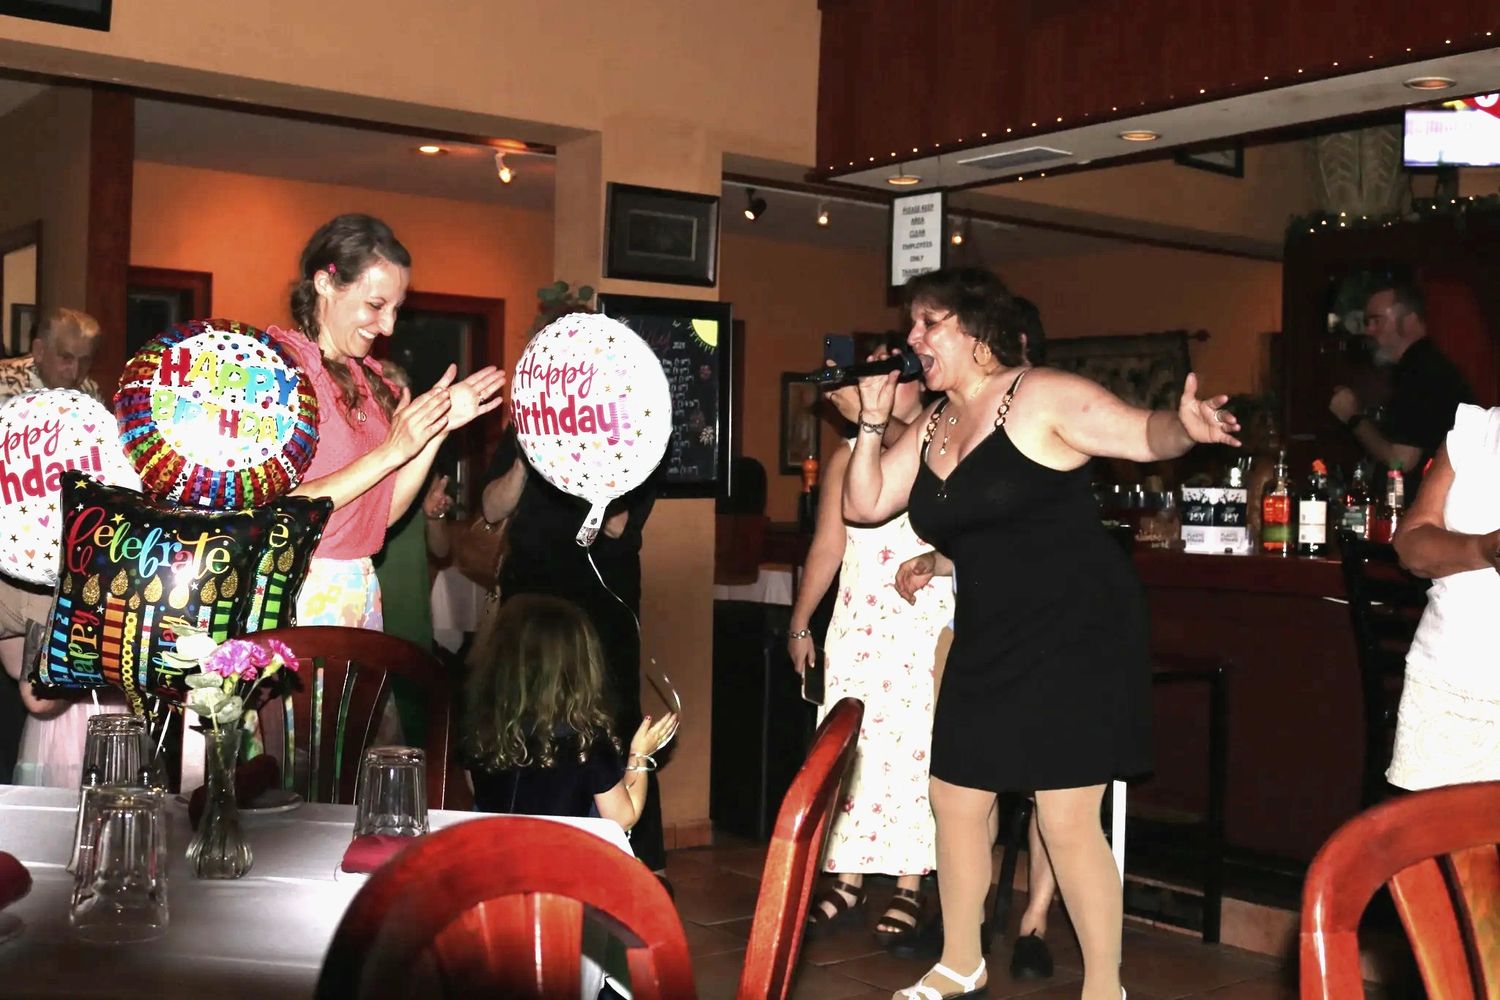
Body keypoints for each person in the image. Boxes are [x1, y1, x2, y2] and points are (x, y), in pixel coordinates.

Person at [844, 268, 1239, 1000]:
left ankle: (1104, 987)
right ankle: (961, 961)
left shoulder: (1042, 396)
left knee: (1064, 816)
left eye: (929, 323)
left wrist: (1183, 427)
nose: (912, 339)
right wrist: (871, 422)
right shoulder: (933, 423)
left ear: (975, 330)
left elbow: (1140, 432)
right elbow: (865, 504)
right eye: (913, 324)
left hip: (1076, 630)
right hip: (990, 630)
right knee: (956, 796)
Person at [893, 293, 1061, 982]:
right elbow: (986, 542)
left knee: (1058, 792)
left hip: (1048, 640)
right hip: (974, 632)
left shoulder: (1044, 426)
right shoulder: (958, 425)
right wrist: (938, 559)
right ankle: (968, 921)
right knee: (968, 787)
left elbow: (1042, 546)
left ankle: (1036, 921)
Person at [789, 351, 953, 951]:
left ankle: (912, 882)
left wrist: (874, 421)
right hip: (857, 620)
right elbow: (828, 544)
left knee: (915, 747)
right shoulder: (846, 455)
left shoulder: (941, 441)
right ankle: (849, 874)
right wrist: (801, 622)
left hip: (917, 617)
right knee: (850, 748)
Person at [275, 214, 504, 628]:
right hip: (295, 589)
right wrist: (393, 449)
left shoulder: (371, 378)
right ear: (325, 283)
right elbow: (284, 510)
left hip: (359, 583)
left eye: (396, 309)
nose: (389, 325)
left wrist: (436, 428)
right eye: (376, 305)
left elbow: (379, 518)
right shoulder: (279, 369)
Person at [481, 412, 664, 871]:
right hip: (530, 601)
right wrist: (527, 458)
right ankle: (522, 845)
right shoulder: (528, 425)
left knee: (609, 723)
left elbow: (618, 524)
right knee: (514, 721)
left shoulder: (634, 429)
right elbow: (490, 508)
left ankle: (640, 863)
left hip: (598, 607)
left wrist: (581, 461)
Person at [0, 307, 114, 786]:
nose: (76, 372)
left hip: (67, 558)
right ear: (40, 351)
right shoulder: (3, 386)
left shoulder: (88, 395)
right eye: (66, 358)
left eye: (85, 360)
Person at [463, 593, 677, 825]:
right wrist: (640, 754)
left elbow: (475, 792)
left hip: (493, 855)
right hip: (561, 857)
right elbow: (623, 817)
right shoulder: (586, 741)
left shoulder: (482, 730)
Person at [1386, 404, 1500, 791]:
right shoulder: (1476, 430)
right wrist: (1485, 549)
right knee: (1442, 843)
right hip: (1451, 684)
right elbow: (1411, 546)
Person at [1330, 280, 1474, 476]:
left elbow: (1401, 461)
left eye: (1376, 321)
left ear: (1409, 322)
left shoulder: (1420, 371)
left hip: (1426, 502)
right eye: (1367, 322)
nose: (1368, 330)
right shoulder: (1423, 364)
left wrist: (1352, 417)